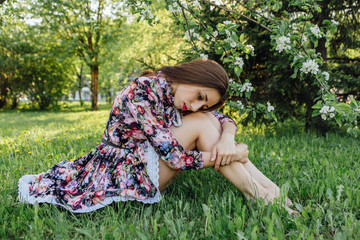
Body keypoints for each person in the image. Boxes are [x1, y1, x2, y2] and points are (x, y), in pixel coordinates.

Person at [18, 59, 295, 214]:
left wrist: (227, 139)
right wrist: (233, 152)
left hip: (147, 164)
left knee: (210, 122)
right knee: (202, 122)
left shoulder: (175, 91)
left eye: (204, 103)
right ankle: (260, 195)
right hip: (126, 171)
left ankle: (270, 191)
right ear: (192, 75)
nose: (196, 105)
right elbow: (175, 158)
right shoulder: (142, 91)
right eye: (200, 96)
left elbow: (221, 119)